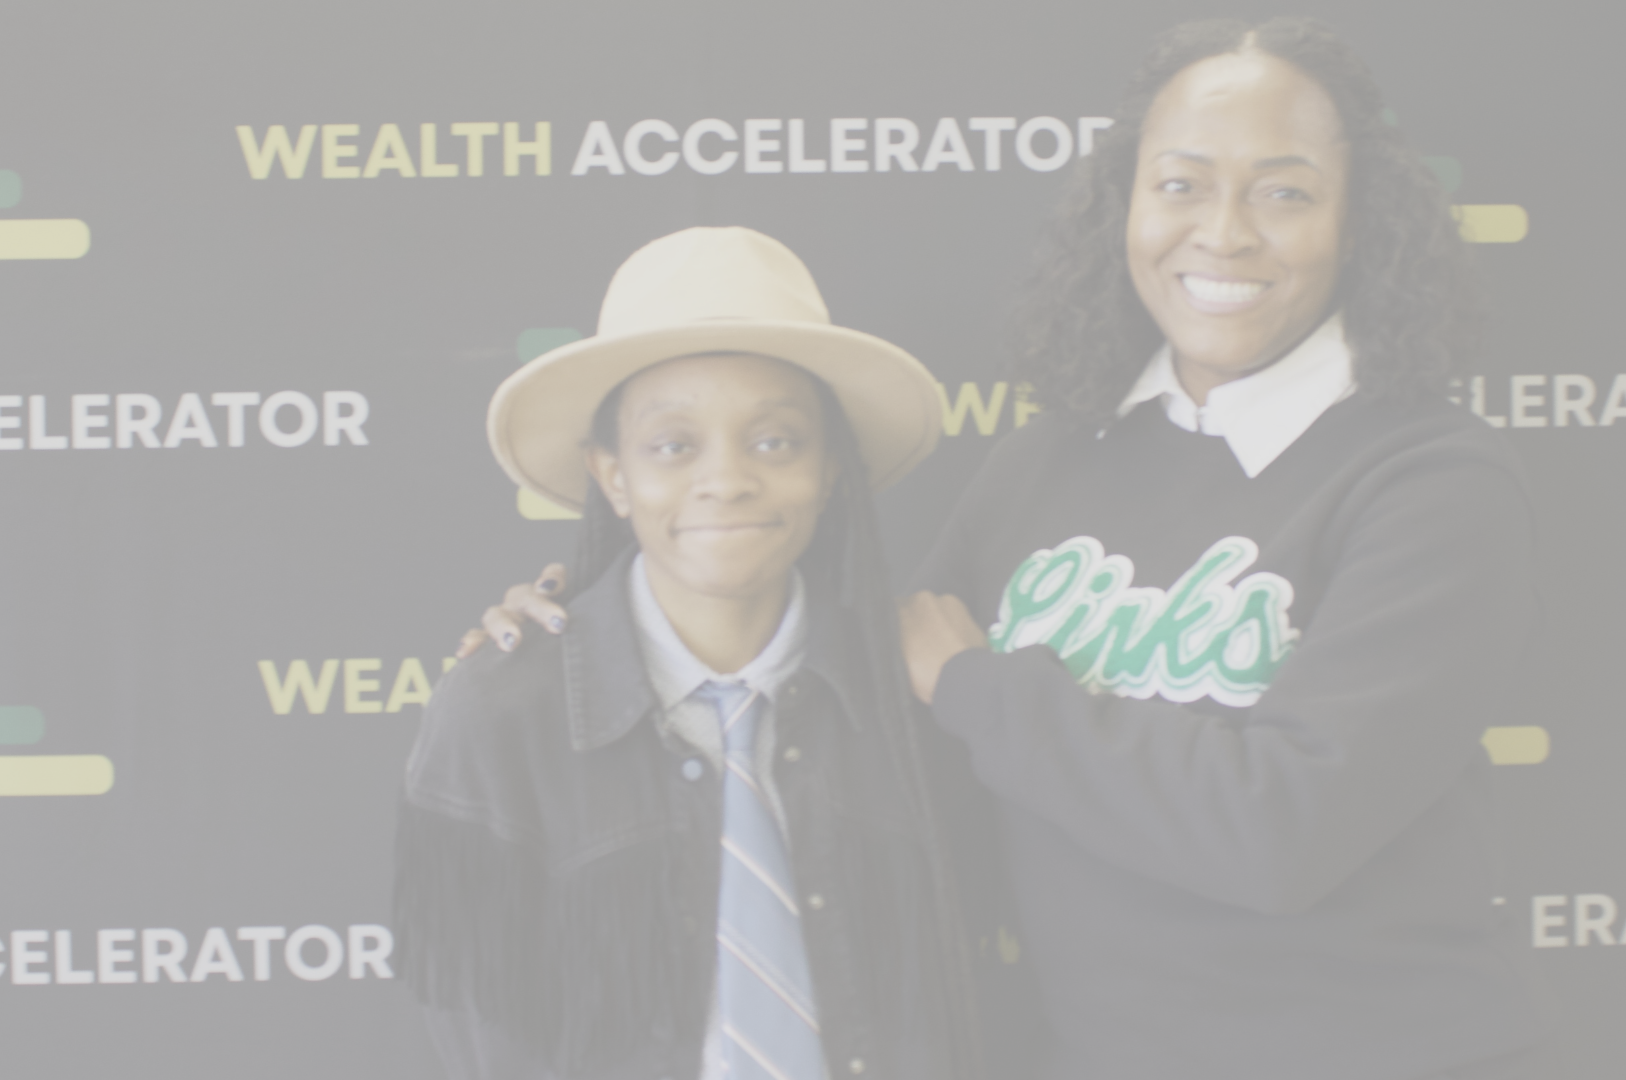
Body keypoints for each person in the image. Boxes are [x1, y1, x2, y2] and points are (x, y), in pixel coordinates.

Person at [467, 17, 1551, 1080]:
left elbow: (1281, 830)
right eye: (1180, 184)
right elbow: (869, 717)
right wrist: (608, 640)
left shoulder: (1430, 478)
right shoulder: (1049, 460)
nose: (1223, 231)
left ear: (1358, 223)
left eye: (1285, 192)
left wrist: (985, 692)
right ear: (1125, 207)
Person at [396, 227, 994, 1080]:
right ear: (613, 476)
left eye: (775, 441)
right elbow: (474, 1028)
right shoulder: (497, 715)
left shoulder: (910, 701)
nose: (727, 479)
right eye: (674, 446)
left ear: (829, 471)